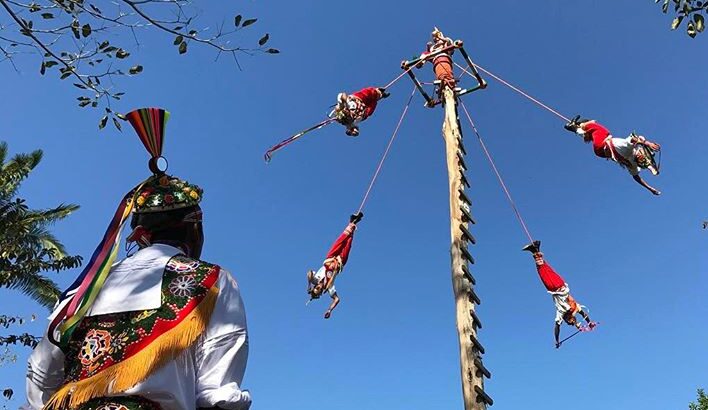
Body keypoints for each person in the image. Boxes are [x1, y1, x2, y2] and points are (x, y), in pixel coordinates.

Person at [26, 108, 252, 410]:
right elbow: (218, 397)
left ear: (139, 235)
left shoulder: (85, 290)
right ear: (194, 229)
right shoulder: (212, 281)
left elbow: (41, 373)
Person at [522, 240, 596, 348]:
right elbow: (557, 328)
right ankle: (535, 250)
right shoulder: (562, 313)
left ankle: (535, 249)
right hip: (554, 287)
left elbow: (583, 314)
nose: (564, 321)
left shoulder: (573, 309)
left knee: (547, 269)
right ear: (568, 319)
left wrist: (589, 323)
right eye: (567, 321)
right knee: (542, 271)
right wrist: (556, 340)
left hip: (561, 283)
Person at [564, 115, 662, 195]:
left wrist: (650, 188)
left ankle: (578, 126)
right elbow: (636, 177)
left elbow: (636, 177)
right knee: (600, 132)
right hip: (604, 149)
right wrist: (650, 188)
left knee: (601, 130)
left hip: (605, 148)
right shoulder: (631, 159)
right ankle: (578, 127)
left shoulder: (631, 158)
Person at [307, 212, 363, 318]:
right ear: (320, 293)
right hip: (340, 262)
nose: (318, 287)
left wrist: (309, 285)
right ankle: (353, 222)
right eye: (318, 290)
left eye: (316, 288)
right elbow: (337, 299)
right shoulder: (329, 288)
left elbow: (309, 272)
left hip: (330, 258)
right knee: (348, 242)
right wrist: (329, 310)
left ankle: (351, 223)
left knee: (341, 240)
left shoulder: (315, 280)